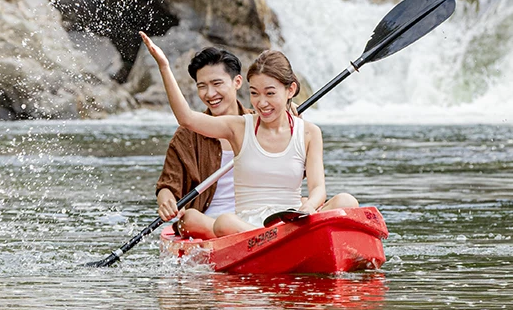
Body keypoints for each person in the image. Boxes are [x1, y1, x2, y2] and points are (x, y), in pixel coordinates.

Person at [140, 32, 359, 236]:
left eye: (270, 93)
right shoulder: (239, 127)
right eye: (254, 93)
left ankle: (287, 235)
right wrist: (164, 66)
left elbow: (318, 187)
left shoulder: (310, 132)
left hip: (291, 218)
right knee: (224, 222)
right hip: (247, 226)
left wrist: (310, 206)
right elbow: (187, 118)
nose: (261, 102)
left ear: (290, 90)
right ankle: (274, 239)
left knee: (346, 201)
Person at [154, 47, 246, 239]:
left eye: (217, 83)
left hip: (255, 217)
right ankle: (243, 235)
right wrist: (166, 201)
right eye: (202, 86)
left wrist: (290, 115)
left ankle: (251, 233)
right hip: (209, 226)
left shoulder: (260, 124)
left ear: (237, 82)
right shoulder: (187, 135)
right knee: (189, 218)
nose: (210, 93)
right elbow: (168, 186)